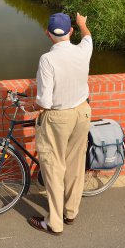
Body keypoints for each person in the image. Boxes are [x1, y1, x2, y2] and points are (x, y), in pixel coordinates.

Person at [28, 12, 92, 236]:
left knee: (54, 168)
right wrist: (82, 24)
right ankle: (70, 212)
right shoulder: (83, 50)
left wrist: (31, 107)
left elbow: (44, 102)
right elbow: (88, 37)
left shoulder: (48, 59)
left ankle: (54, 223)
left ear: (47, 33)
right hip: (82, 113)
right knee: (75, 164)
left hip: (58, 118)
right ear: (70, 31)